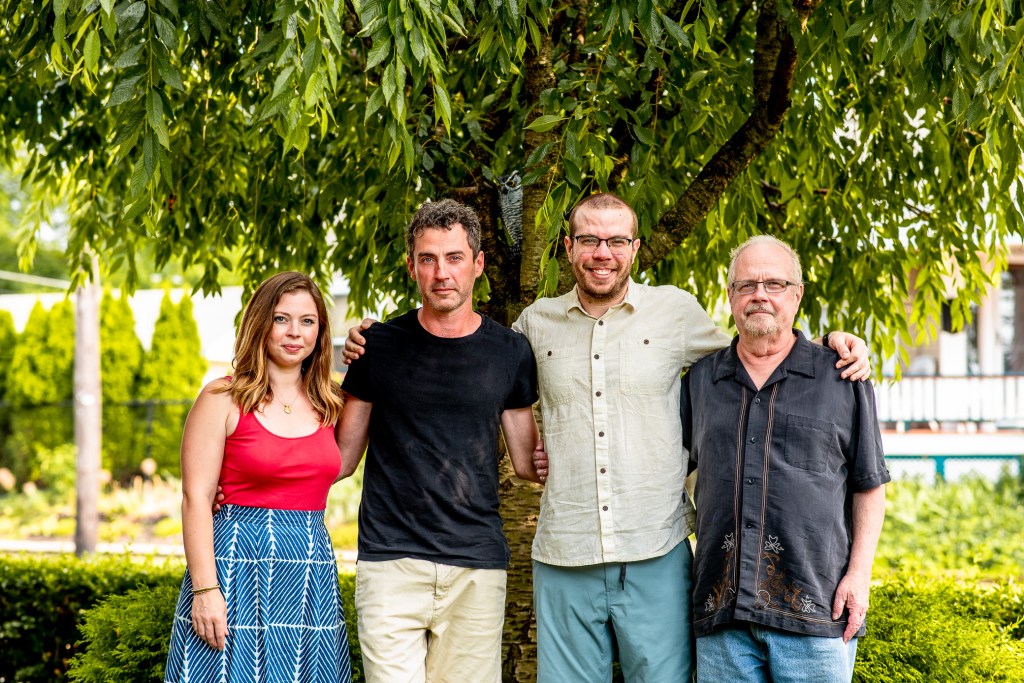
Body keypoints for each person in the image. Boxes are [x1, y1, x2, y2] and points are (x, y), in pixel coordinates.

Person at [346, 193, 870, 682]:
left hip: (654, 550)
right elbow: (466, 357)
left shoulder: (676, 313)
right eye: (590, 241)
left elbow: (756, 345)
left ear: (634, 249)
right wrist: (367, 343)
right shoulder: (533, 326)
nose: (604, 253)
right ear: (568, 248)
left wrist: (829, 346)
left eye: (617, 241)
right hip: (564, 553)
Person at [335, 199, 542, 683]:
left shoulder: (510, 352)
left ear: (478, 264)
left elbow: (529, 463)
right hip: (390, 563)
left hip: (475, 566)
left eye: (453, 258)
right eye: (428, 259)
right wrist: (238, 479)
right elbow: (341, 458)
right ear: (411, 267)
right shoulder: (376, 346)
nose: (441, 272)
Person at [680, 235, 889, 682]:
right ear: (730, 295)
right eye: (747, 284)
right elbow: (663, 469)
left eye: (775, 284)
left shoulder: (842, 378)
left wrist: (859, 577)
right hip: (722, 614)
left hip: (815, 611)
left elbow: (869, 484)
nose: (760, 295)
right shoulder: (700, 381)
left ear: (797, 295)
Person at [164, 272, 352, 682]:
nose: (294, 332)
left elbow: (344, 463)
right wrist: (205, 589)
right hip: (235, 565)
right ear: (260, 323)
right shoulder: (222, 397)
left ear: (321, 331)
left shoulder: (332, 403)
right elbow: (196, 497)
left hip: (309, 569)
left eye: (308, 321)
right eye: (281, 319)